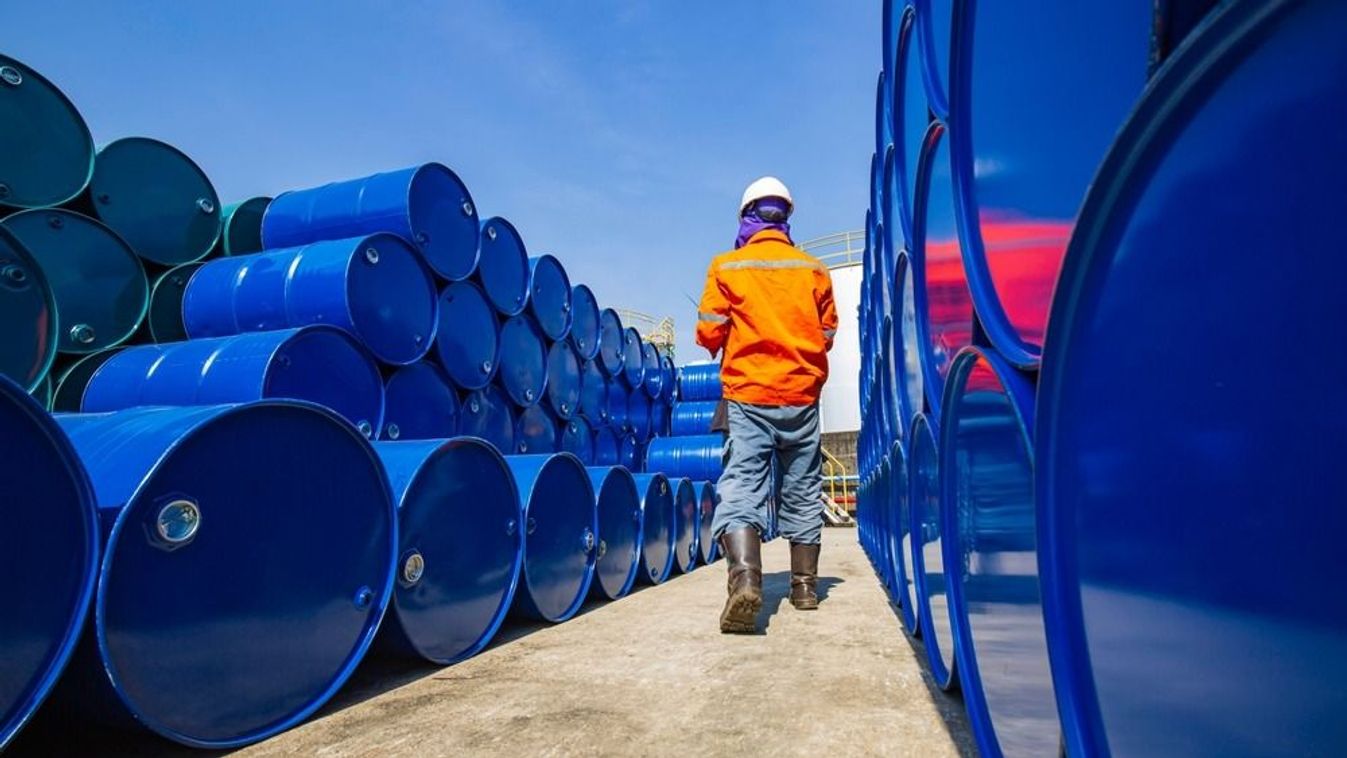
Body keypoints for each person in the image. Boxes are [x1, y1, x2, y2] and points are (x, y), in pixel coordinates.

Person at [695, 176, 837, 633]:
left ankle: (745, 580)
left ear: (747, 216)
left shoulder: (727, 266)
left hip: (749, 395)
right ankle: (805, 589)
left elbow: (708, 332)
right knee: (801, 486)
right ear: (785, 217)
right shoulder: (813, 269)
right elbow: (828, 334)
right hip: (800, 397)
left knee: (741, 487)